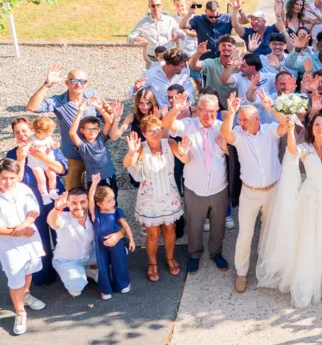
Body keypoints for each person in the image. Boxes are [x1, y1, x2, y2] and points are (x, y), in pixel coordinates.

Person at [256, 112, 322, 307]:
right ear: (311, 129)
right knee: (309, 238)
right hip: (311, 195)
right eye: (316, 124)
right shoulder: (305, 148)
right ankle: (309, 280)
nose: (320, 127)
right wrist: (289, 130)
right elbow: (292, 152)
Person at [221, 91, 288, 293]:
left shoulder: (269, 131)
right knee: (245, 234)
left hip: (272, 191)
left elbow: (286, 126)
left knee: (270, 232)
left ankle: (266, 268)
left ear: (257, 119)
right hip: (249, 193)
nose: (241, 123)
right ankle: (241, 273)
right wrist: (231, 113)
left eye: (244, 119)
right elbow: (225, 134)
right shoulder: (239, 136)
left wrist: (271, 108)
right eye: (240, 119)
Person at [162, 93, 230, 273]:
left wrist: (226, 148)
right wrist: (175, 109)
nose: (209, 116)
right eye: (205, 111)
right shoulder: (188, 126)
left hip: (219, 187)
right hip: (194, 187)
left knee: (218, 224)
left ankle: (216, 252)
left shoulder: (223, 128)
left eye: (213, 111)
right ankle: (194, 254)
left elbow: (235, 156)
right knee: (194, 224)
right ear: (197, 110)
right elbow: (167, 125)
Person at [0, 159, 47, 335]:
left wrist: (25, 225)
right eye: (4, 178)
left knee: (29, 270)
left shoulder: (24, 189)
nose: (8, 182)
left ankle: (26, 294)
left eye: (12, 177)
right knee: (15, 279)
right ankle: (20, 312)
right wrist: (20, 232)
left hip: (30, 241)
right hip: (10, 248)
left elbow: (34, 210)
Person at [6, 116, 67, 286]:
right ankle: (44, 275)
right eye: (17, 132)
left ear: (33, 131)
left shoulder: (46, 144)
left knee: (61, 236)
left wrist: (45, 158)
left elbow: (62, 169)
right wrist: (21, 159)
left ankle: (66, 270)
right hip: (31, 203)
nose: (21, 134)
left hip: (55, 199)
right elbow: (13, 182)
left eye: (24, 130)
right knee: (39, 240)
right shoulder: (12, 154)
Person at [122, 118, 186, 282]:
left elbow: (186, 160)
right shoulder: (141, 148)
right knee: (152, 234)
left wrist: (184, 153)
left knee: (170, 230)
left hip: (169, 194)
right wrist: (131, 152)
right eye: (150, 131)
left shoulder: (170, 143)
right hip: (149, 197)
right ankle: (152, 263)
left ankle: (170, 258)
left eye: (158, 129)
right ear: (144, 133)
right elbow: (127, 163)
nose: (155, 133)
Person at [26, 64, 102, 189]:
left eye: (83, 81)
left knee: (98, 192)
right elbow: (32, 107)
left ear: (87, 83)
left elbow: (103, 116)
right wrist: (47, 84)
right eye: (74, 81)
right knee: (74, 192)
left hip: (94, 154)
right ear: (67, 83)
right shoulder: (58, 101)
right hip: (73, 156)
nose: (79, 84)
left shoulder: (92, 95)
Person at [86, 173, 135, 300]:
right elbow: (90, 198)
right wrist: (94, 183)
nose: (113, 202)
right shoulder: (95, 214)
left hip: (117, 243)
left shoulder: (117, 212)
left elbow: (125, 226)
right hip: (100, 244)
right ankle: (105, 288)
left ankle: (123, 283)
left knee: (119, 262)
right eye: (109, 201)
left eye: (113, 199)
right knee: (102, 265)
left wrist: (131, 240)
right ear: (99, 204)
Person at [46, 189, 98, 297]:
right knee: (76, 289)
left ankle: (91, 270)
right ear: (68, 204)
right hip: (66, 261)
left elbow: (116, 222)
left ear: (88, 201)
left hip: (89, 255)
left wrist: (119, 234)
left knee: (120, 251)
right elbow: (52, 221)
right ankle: (81, 273)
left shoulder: (92, 216)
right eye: (74, 203)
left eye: (82, 202)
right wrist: (57, 208)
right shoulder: (63, 217)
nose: (78, 206)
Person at [67, 98, 118, 193]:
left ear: (99, 130)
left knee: (112, 199)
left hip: (109, 176)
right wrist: (80, 112)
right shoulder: (83, 145)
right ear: (82, 130)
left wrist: (98, 106)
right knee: (95, 202)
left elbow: (109, 121)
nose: (92, 131)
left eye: (95, 129)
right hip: (93, 180)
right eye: (89, 129)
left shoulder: (101, 138)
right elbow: (72, 133)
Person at [128, 0, 185, 66]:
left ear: (161, 6)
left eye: (158, 5)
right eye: (153, 6)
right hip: (152, 58)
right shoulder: (143, 23)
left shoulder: (170, 20)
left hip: (169, 56)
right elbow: (129, 38)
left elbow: (179, 32)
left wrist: (179, 35)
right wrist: (134, 38)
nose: (156, 8)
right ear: (149, 6)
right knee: (152, 76)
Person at [25, 116, 61, 204]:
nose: (50, 134)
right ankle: (44, 195)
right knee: (41, 180)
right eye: (48, 132)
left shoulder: (48, 138)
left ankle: (52, 191)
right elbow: (26, 147)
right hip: (36, 163)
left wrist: (55, 146)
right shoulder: (32, 139)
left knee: (52, 176)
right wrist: (25, 147)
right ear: (40, 131)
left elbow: (51, 145)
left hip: (47, 161)